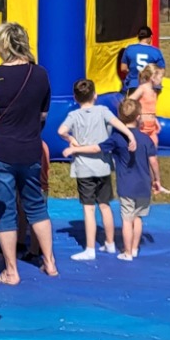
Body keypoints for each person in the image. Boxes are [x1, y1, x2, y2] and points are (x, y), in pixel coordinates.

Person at [0, 21, 55, 284]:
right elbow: (43, 114)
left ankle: (11, 270)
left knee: (5, 210)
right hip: (30, 148)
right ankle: (50, 262)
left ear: (1, 45)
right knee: (36, 205)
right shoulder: (40, 75)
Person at [66, 96, 156, 261]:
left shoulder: (117, 138)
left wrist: (76, 149)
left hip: (126, 186)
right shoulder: (146, 139)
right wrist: (157, 180)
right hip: (144, 185)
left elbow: (97, 148)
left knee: (127, 220)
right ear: (138, 117)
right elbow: (153, 161)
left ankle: (127, 252)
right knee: (138, 218)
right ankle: (134, 248)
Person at [60, 79, 129, 261]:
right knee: (105, 205)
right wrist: (130, 135)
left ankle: (90, 249)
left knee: (89, 209)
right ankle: (110, 243)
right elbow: (118, 124)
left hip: (84, 168)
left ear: (75, 98)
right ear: (95, 95)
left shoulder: (74, 115)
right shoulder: (103, 111)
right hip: (103, 166)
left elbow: (61, 131)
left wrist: (71, 139)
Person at [134, 62, 166, 195]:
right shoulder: (142, 89)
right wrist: (138, 116)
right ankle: (146, 182)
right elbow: (130, 101)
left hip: (152, 126)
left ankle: (156, 183)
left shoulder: (154, 90)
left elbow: (151, 108)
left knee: (153, 157)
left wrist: (155, 119)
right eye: (160, 77)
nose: (161, 80)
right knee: (145, 157)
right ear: (152, 77)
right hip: (143, 127)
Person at [118, 26, 164, 94]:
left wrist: (132, 72)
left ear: (138, 37)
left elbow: (123, 68)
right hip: (150, 86)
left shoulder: (129, 49)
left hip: (134, 85)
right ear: (150, 37)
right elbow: (161, 71)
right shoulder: (156, 52)